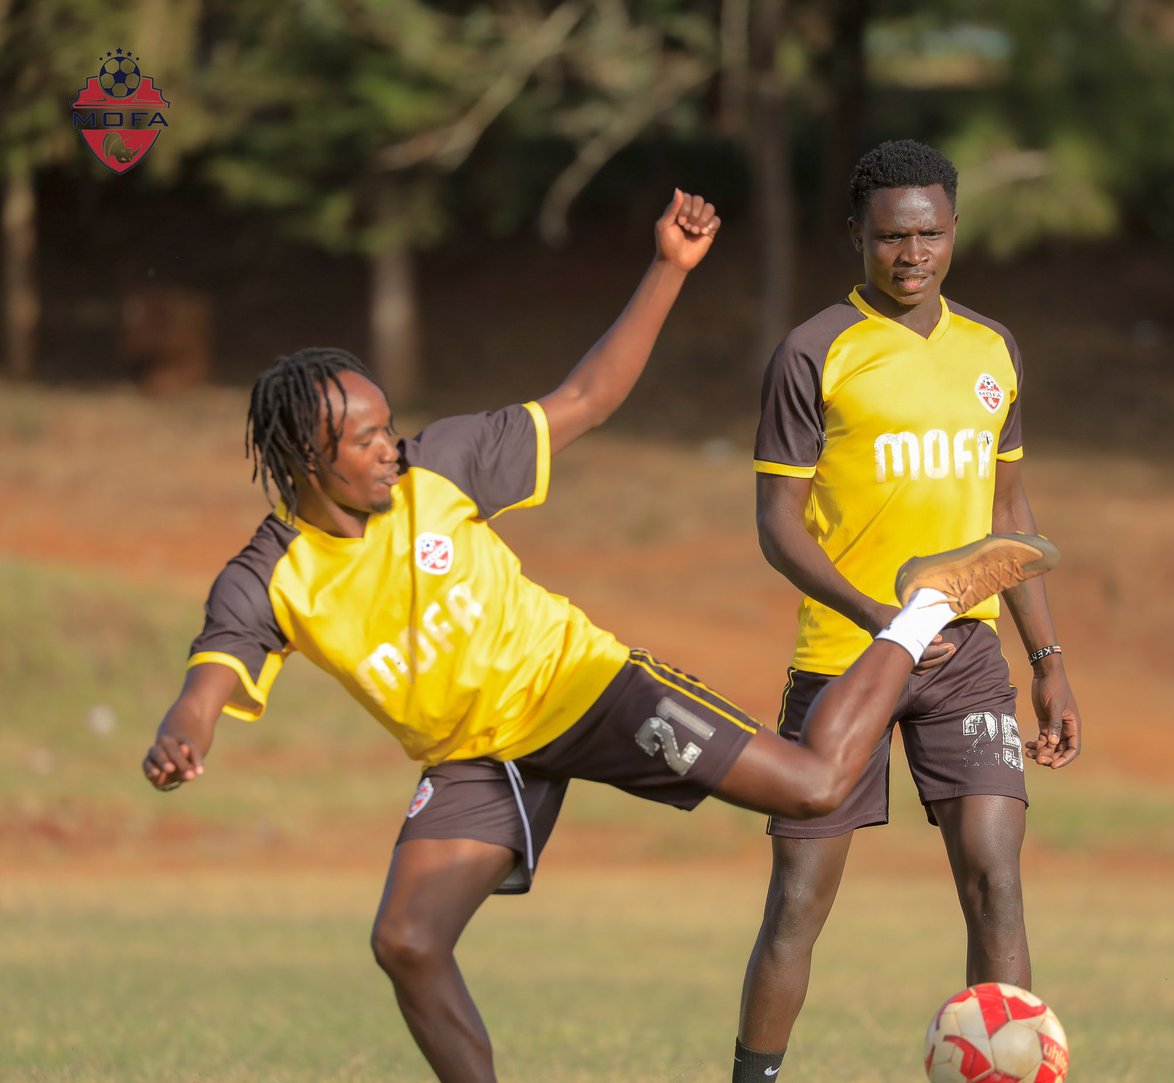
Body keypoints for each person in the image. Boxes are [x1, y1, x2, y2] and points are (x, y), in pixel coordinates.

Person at [141, 189, 1059, 1083]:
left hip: (589, 686)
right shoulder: (271, 574)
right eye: (370, 438)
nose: (394, 447)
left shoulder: (445, 463)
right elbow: (213, 670)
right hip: (479, 756)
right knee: (407, 941)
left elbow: (586, 396)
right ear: (309, 457)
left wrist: (666, 268)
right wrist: (188, 732)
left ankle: (928, 604)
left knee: (818, 787)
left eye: (391, 428)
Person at [730, 140, 1082, 1081]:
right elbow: (778, 525)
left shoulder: (992, 350)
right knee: (800, 900)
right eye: (891, 236)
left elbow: (1010, 516)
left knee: (996, 882)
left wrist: (1046, 659)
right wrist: (887, 620)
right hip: (845, 656)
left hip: (966, 656)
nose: (912, 252)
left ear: (955, 230)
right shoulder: (814, 352)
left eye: (929, 233)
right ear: (857, 236)